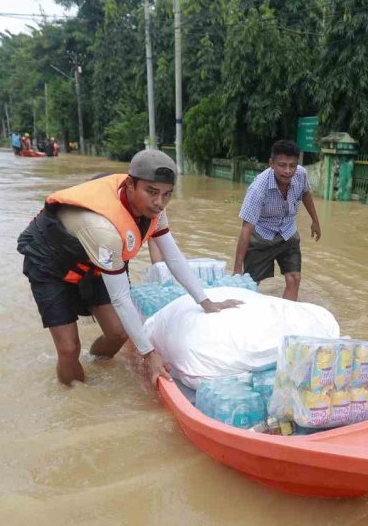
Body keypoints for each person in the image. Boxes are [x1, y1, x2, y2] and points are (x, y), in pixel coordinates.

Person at [17, 150, 242, 385]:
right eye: (151, 192)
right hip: (50, 259)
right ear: (130, 185)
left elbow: (173, 257)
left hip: (96, 260)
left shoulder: (155, 211)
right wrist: (150, 354)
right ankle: (74, 396)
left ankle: (95, 364)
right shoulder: (105, 231)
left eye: (167, 194)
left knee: (118, 333)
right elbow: (121, 298)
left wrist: (205, 302)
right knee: (69, 349)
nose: (159, 202)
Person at [233, 140, 321, 301]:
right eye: (282, 165)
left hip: (288, 232)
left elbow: (306, 193)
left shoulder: (300, 174)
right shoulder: (258, 188)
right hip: (262, 236)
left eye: (292, 165)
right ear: (271, 163)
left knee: (294, 277)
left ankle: (287, 318)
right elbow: (246, 228)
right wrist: (237, 268)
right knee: (250, 284)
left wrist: (315, 221)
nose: (288, 171)